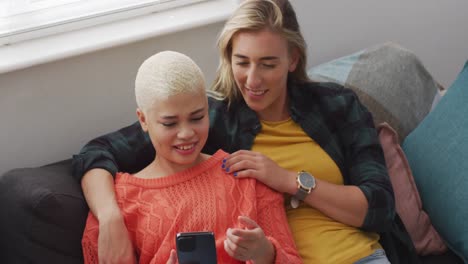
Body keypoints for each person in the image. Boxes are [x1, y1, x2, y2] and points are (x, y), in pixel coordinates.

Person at [73, 0, 419, 263]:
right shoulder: (209, 117)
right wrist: (110, 216)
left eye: (268, 64)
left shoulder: (336, 106)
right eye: (242, 62)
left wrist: (287, 179)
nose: (252, 81)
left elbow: (379, 206)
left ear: (293, 59)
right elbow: (95, 153)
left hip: (361, 256)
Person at [81, 50, 301, 264]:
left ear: (207, 108)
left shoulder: (245, 176)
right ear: (143, 120)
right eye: (170, 123)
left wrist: (266, 254)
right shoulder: (118, 203)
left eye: (197, 118)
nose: (186, 133)